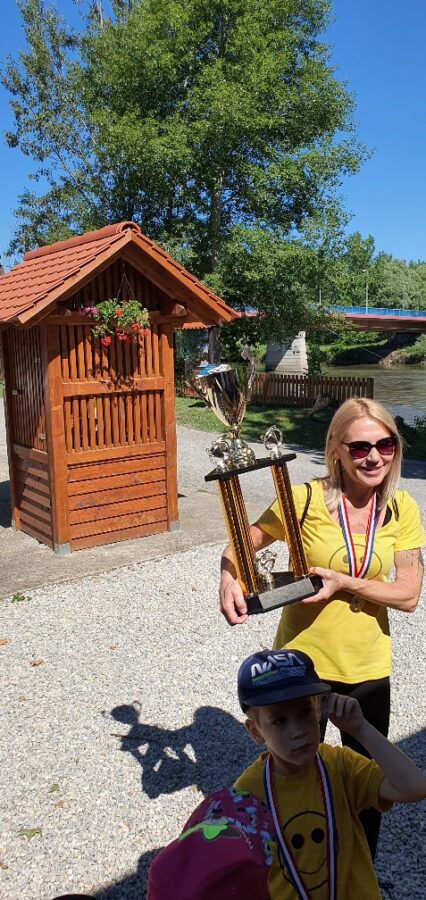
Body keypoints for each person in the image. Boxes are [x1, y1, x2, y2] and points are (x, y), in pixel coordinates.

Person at [219, 397, 425, 857]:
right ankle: (298, 869)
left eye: (386, 445)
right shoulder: (304, 499)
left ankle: (358, 870)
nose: (374, 457)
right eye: (360, 447)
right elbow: (239, 545)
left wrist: (343, 582)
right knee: (294, 774)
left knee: (369, 786)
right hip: (299, 668)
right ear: (335, 448)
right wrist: (228, 577)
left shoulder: (401, 508)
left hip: (365, 667)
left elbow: (409, 595)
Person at [234, 647, 426, 900]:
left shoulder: (339, 765)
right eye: (280, 721)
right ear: (256, 731)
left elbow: (414, 787)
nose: (298, 731)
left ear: (318, 709)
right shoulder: (247, 794)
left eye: (304, 712)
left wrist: (361, 729)